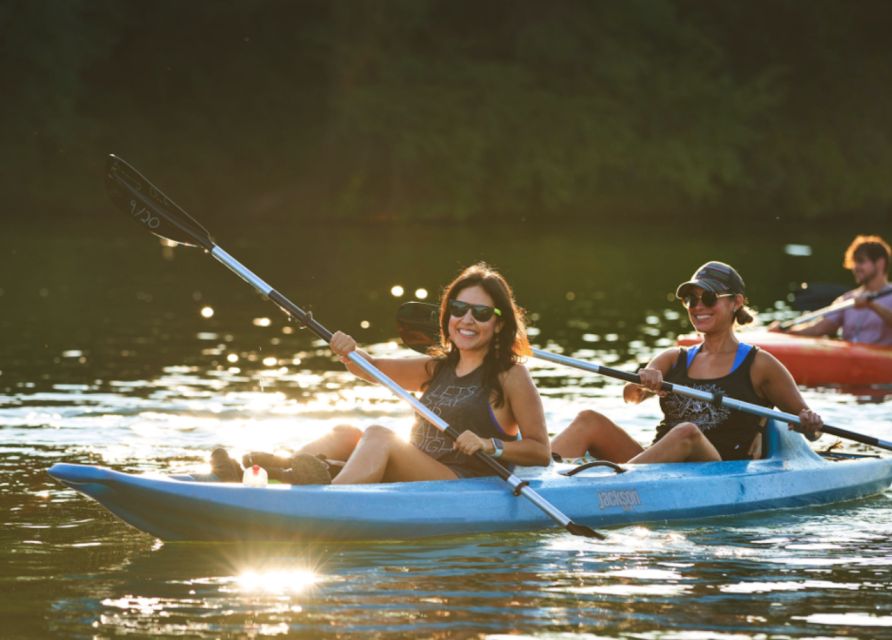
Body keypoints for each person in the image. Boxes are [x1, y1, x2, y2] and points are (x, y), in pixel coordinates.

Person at [212, 262, 551, 484]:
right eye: (459, 309)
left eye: (481, 313)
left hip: (460, 481)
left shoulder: (511, 375)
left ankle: (325, 502)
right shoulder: (437, 367)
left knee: (380, 436)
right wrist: (349, 351)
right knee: (345, 433)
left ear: (499, 322)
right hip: (417, 470)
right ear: (448, 315)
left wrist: (489, 445)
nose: (467, 320)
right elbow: (372, 369)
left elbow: (540, 450)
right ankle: (269, 472)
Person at [551, 261, 824, 464]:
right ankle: (529, 480)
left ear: (736, 303)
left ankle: (613, 485)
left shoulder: (761, 365)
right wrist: (645, 384)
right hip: (656, 466)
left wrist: (808, 422)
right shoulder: (673, 358)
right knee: (589, 420)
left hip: (719, 472)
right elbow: (630, 396)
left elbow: (810, 432)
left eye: (708, 298)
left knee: (687, 433)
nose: (697, 306)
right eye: (690, 300)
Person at [778, 235, 892, 345]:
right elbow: (818, 329)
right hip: (851, 361)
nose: (855, 267)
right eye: (854, 262)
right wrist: (784, 331)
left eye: (861, 261)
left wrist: (872, 305)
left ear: (880, 263)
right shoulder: (848, 299)